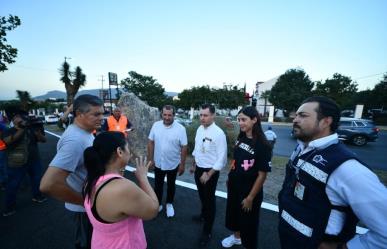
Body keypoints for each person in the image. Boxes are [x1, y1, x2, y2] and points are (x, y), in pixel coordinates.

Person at [278, 96, 387, 249]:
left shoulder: (349, 169)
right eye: (296, 115)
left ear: (326, 122)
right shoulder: (301, 149)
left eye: (302, 115)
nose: (295, 119)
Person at [40, 94, 104, 249]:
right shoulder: (74, 141)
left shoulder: (84, 132)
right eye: (96, 114)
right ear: (79, 114)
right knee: (86, 244)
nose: (102, 118)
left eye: (102, 113)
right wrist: (84, 202)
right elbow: (48, 185)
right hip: (83, 210)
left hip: (88, 206)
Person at [83, 131, 158, 249]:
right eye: (128, 148)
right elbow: (153, 210)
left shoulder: (90, 180)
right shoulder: (122, 189)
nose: (130, 153)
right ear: (120, 151)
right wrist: (143, 178)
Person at [222, 106, 272, 249]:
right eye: (239, 120)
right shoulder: (241, 137)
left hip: (249, 191)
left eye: (244, 119)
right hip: (234, 186)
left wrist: (250, 198)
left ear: (254, 120)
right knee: (235, 215)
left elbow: (262, 175)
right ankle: (237, 237)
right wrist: (230, 177)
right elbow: (236, 160)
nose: (240, 123)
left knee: (249, 225)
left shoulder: (263, 145)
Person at [190, 103, 227, 247]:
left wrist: (209, 174)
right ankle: (203, 215)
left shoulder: (218, 134)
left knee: (209, 201)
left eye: (205, 115)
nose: (202, 118)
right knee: (202, 196)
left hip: (210, 172)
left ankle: (207, 231)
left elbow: (222, 159)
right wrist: (194, 164)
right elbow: (197, 148)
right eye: (201, 115)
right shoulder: (200, 129)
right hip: (199, 168)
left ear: (213, 115)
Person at [2, 111, 47, 216]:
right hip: (16, 163)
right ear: (13, 121)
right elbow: (7, 142)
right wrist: (22, 128)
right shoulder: (9, 131)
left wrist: (38, 134)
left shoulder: (32, 129)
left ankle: (37, 196)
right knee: (13, 185)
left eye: (21, 117)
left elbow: (44, 140)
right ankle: (10, 206)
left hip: (34, 161)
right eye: (16, 117)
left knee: (36, 180)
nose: (20, 118)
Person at [147, 105, 188, 218]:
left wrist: (182, 164)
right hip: (158, 162)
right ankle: (158, 204)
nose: (167, 117)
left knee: (171, 185)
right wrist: (151, 159)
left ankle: (169, 204)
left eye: (170, 115)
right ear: (162, 114)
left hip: (173, 163)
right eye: (165, 114)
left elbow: (184, 147)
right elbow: (150, 142)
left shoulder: (180, 129)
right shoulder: (156, 125)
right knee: (158, 185)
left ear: (174, 115)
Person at [0, 123, 8, 190]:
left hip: (1, 148)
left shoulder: (1, 125)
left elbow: (6, 130)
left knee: (2, 166)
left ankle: (4, 183)